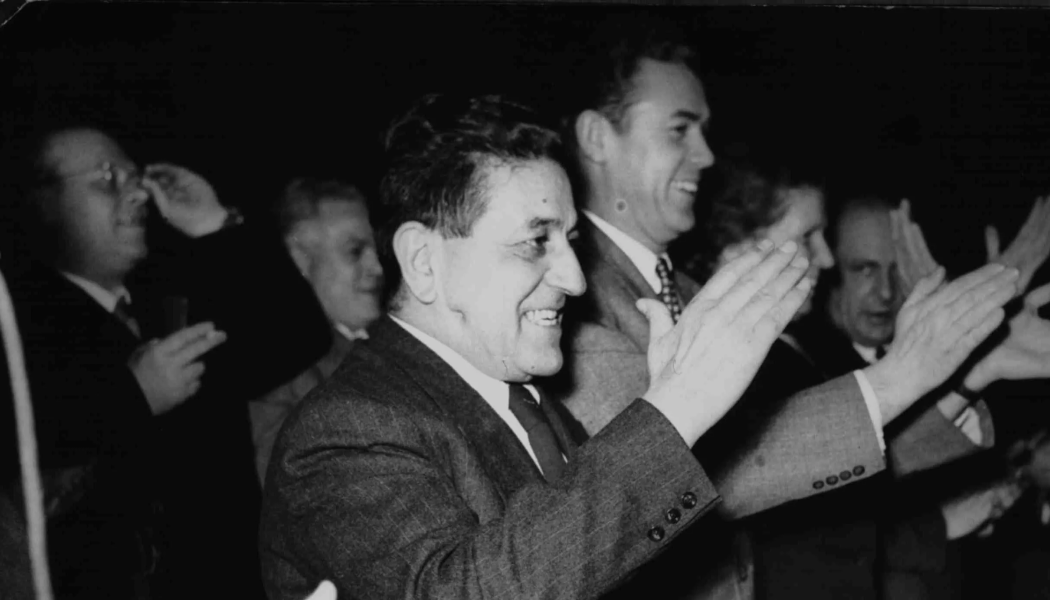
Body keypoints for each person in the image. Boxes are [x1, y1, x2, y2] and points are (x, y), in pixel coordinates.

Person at [259, 93, 819, 600]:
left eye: (570, 240)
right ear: (424, 263)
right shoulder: (346, 427)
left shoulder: (528, 400)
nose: (575, 279)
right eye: (535, 241)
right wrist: (675, 410)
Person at [551, 18, 1029, 598]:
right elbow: (675, 481)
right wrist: (905, 374)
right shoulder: (575, 302)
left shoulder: (694, 292)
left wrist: (963, 371)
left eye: (704, 131)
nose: (706, 154)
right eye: (679, 130)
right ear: (597, 138)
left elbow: (804, 458)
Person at [0, 126, 331, 599]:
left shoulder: (171, 300)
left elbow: (299, 338)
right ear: (42, 202)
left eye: (135, 175)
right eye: (107, 178)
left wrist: (216, 224)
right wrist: (131, 397)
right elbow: (32, 489)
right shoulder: (20, 333)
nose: (137, 192)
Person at [248, 178, 383, 485]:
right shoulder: (281, 390)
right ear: (301, 261)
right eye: (355, 251)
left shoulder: (405, 338)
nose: (376, 267)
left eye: (375, 247)